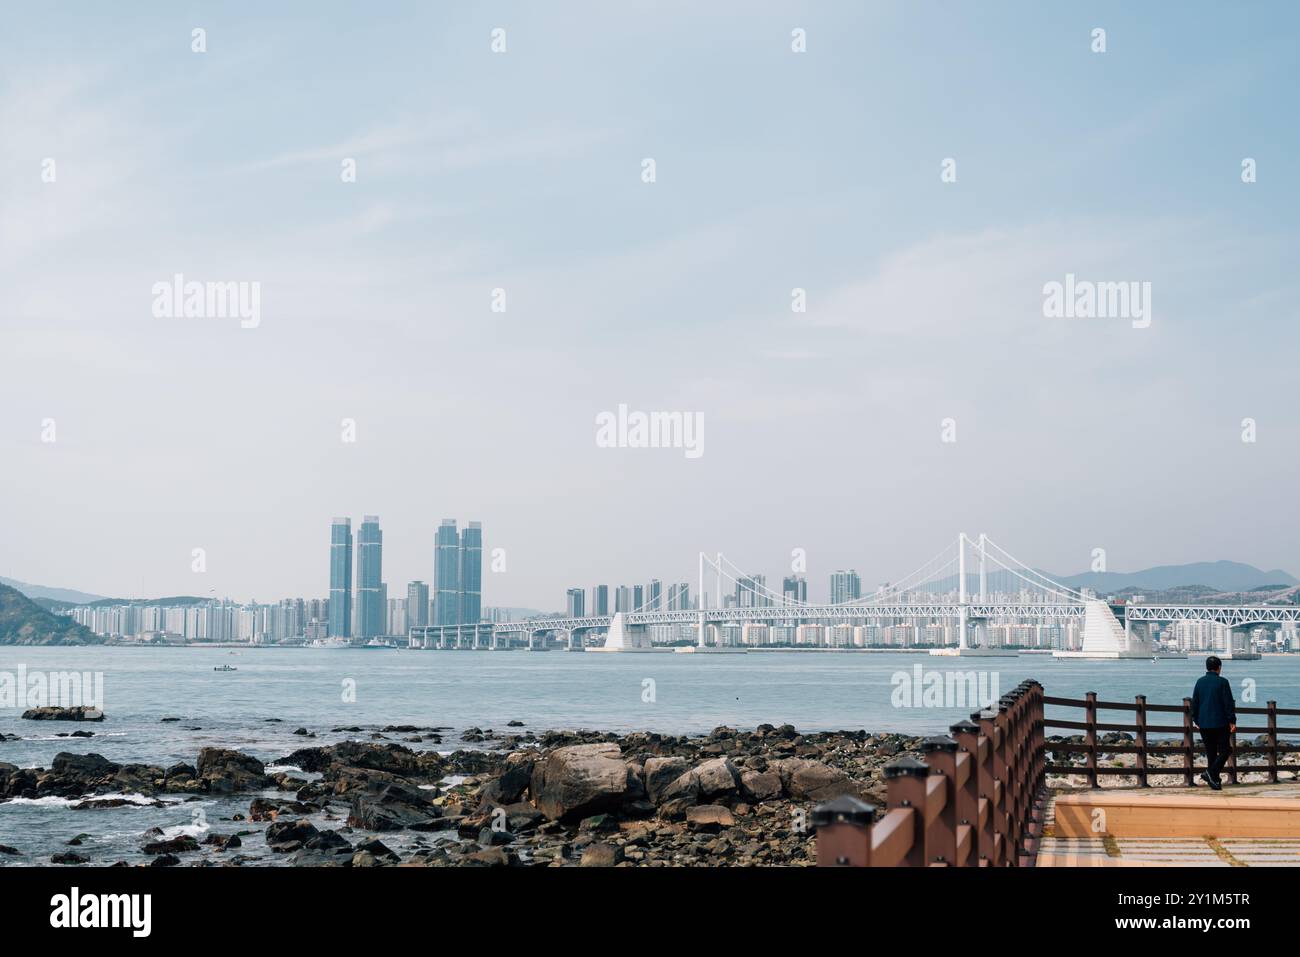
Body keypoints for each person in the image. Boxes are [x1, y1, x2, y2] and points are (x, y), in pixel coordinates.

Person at [1190, 656, 1236, 790]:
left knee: (1211, 753)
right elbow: (1228, 703)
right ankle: (1210, 773)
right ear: (1219, 667)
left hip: (1204, 723)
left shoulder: (1200, 682)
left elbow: (1195, 703)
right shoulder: (1223, 682)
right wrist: (1232, 720)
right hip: (1220, 722)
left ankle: (1214, 782)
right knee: (1226, 750)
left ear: (1206, 667)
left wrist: (1195, 720)